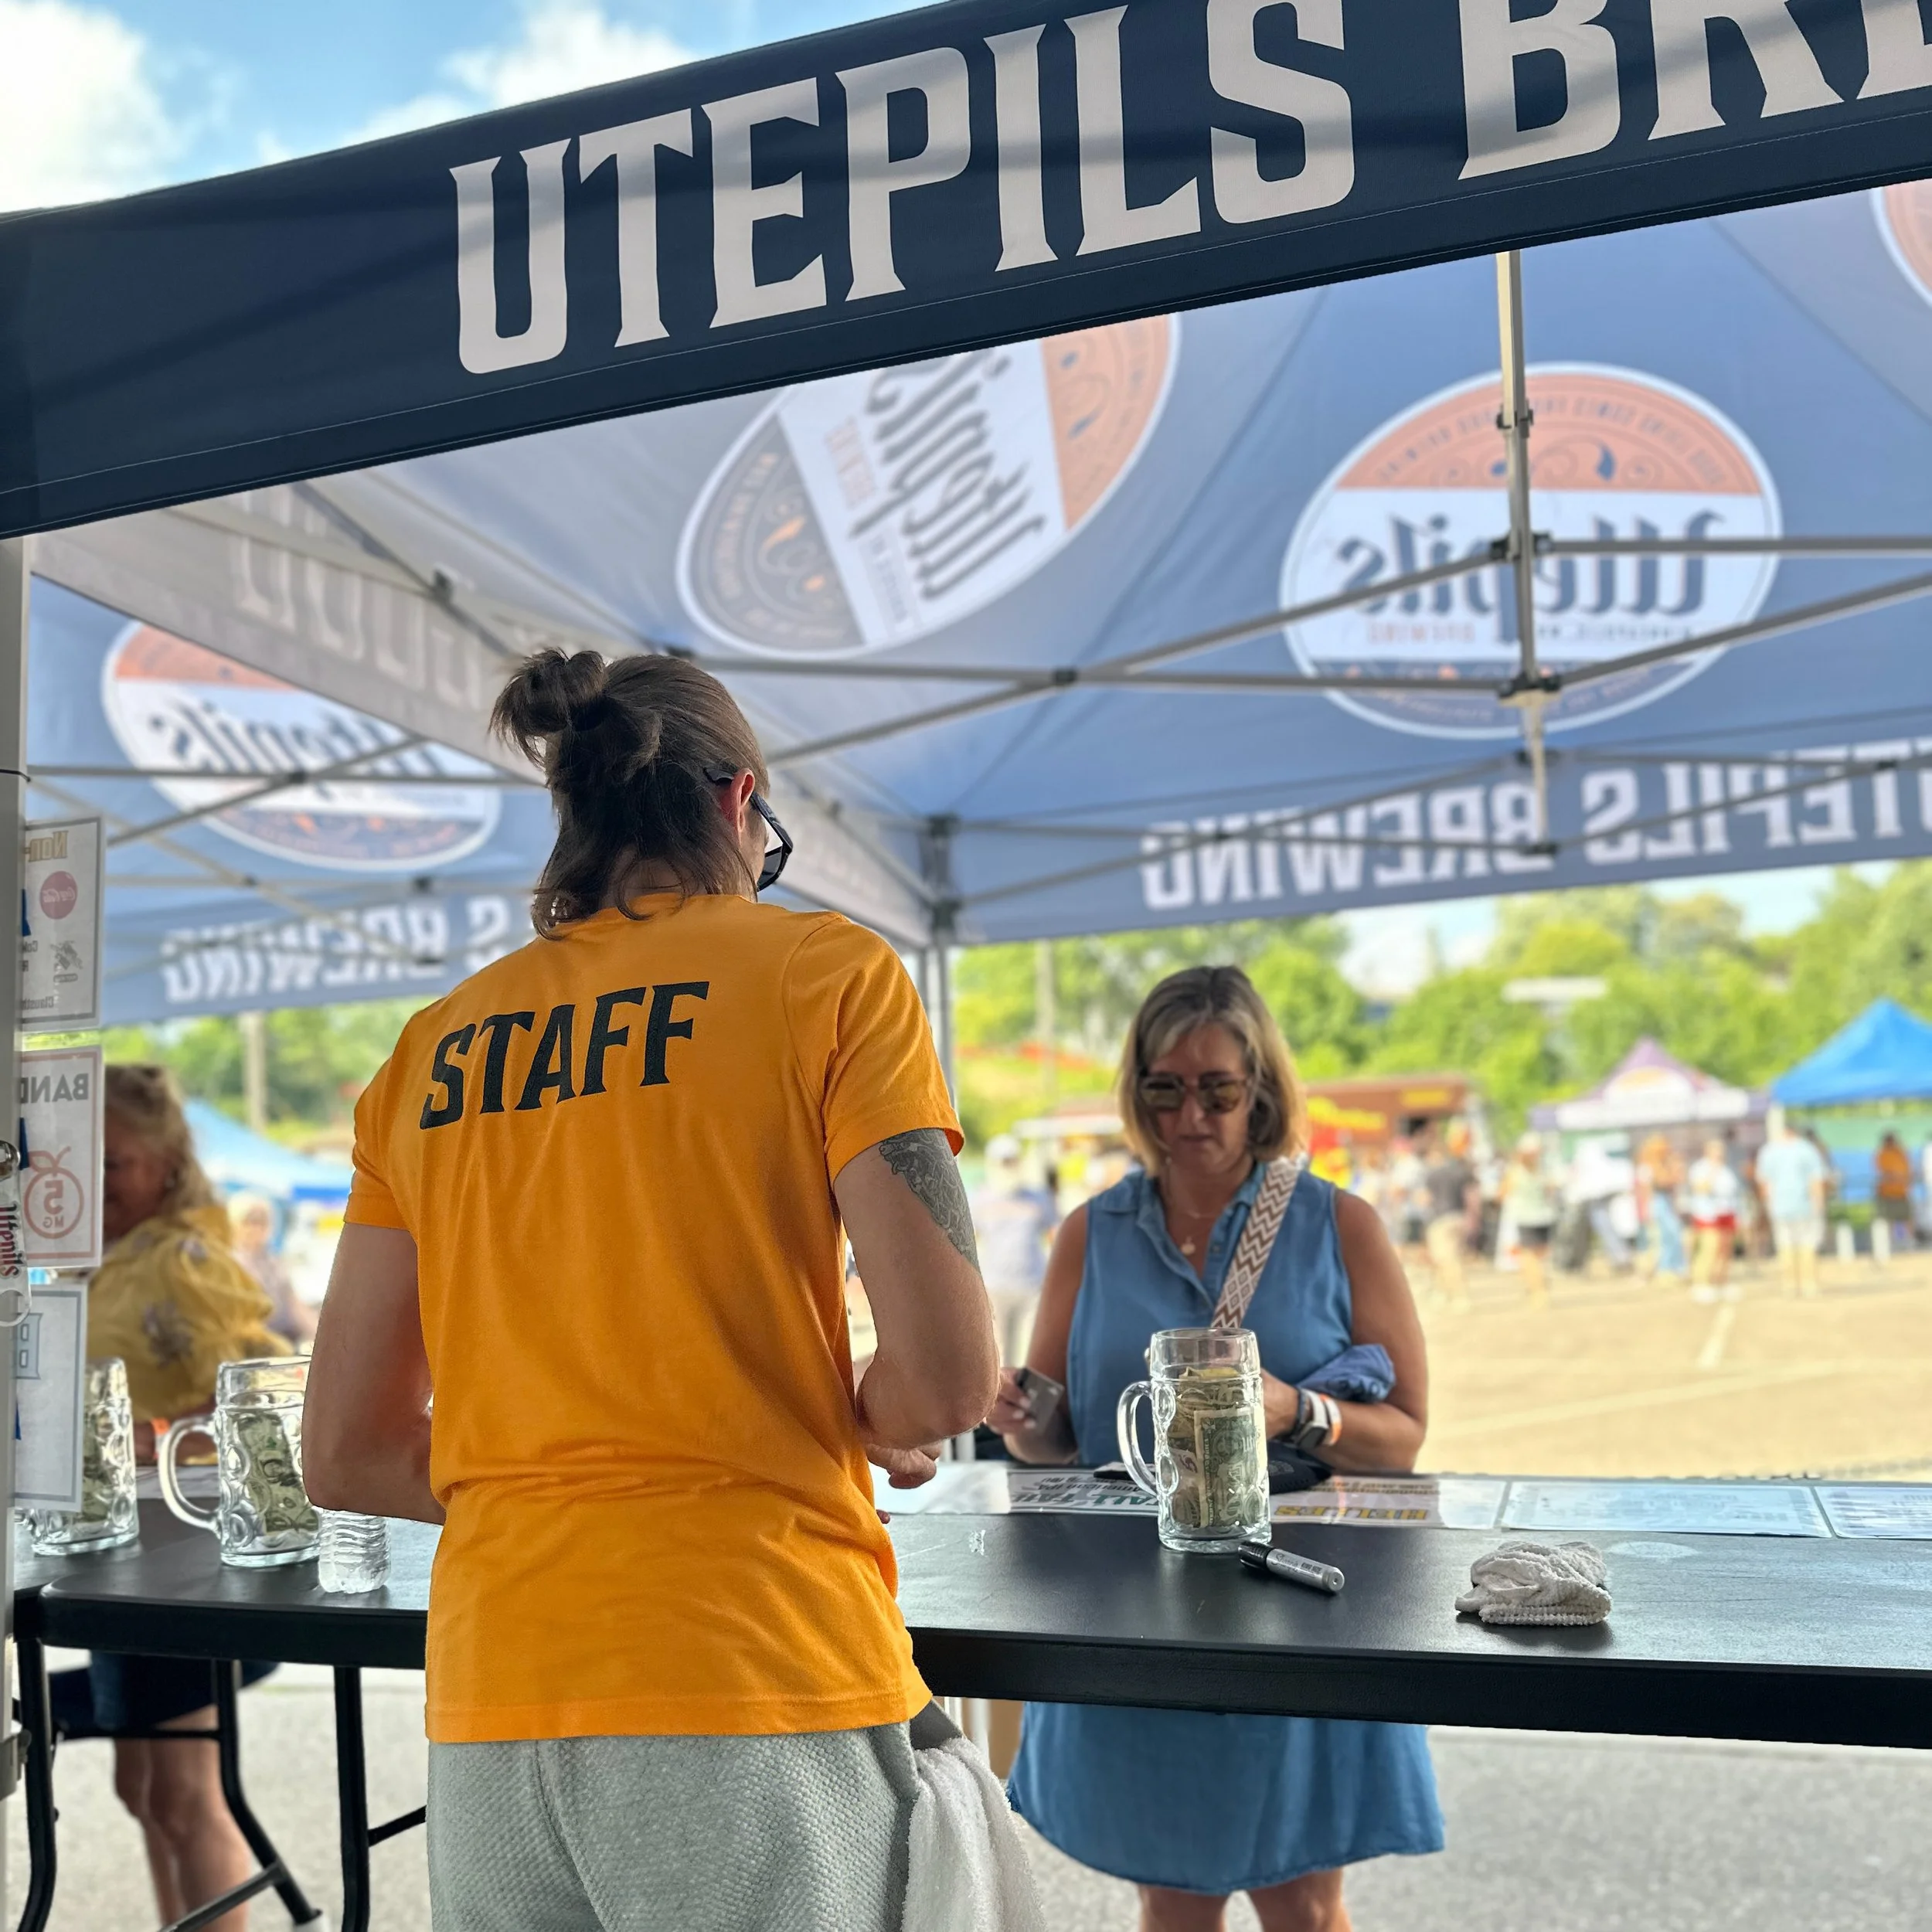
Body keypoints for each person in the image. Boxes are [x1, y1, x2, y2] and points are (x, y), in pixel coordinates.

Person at [302, 649, 1000, 1932]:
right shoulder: (826, 977)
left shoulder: (428, 1052)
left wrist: (548, 1458)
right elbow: (952, 1381)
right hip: (754, 1674)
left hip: (496, 1702)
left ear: (574, 813)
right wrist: (845, 1407)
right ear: (741, 806)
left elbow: (344, 1451)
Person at [989, 965, 1440, 1932]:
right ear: (1136, 1091)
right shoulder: (1088, 1233)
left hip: (1297, 1608)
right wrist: (1027, 1420)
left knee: (1304, 1905)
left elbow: (1402, 1439)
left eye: (1218, 1089)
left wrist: (1295, 1411)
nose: (1188, 1112)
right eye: (1164, 1086)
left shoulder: (1337, 1224)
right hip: (1141, 1608)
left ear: (1261, 1092)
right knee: (1172, 1895)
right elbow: (1061, 1437)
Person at [71, 1065, 290, 1932]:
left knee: (186, 1789)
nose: (94, 1181)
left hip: (179, 1554)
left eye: (112, 1160)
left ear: (165, 1161)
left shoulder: (182, 1260)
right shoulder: (103, 1262)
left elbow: (248, 1392)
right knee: (147, 1788)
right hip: (126, 1556)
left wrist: (158, 1433)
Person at [971, 1133, 1061, 1366]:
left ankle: (1029, 1402)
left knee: (1032, 1354)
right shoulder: (979, 1200)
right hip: (996, 1288)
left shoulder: (1039, 1198)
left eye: (1012, 1160)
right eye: (1004, 1161)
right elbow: (970, 1243)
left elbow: (1055, 1237)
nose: (1008, 1166)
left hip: (1033, 1287)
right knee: (1000, 1357)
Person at [228, 1191, 317, 1346]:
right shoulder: (230, 1262)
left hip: (284, 1338)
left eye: (262, 1222)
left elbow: (294, 1304)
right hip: (252, 1344)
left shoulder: (273, 1260)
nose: (256, 1228)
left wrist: (320, 1336)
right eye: (249, 1221)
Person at [1756, 1114, 1828, 1299]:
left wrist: (1768, 1204)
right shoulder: (1807, 1150)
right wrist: (1819, 1204)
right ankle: (1809, 1284)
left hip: (1780, 1206)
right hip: (1804, 1204)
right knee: (1807, 1246)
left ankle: (1789, 1286)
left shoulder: (1769, 1151)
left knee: (1785, 1246)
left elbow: (1764, 1183)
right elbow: (1816, 1180)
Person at [1420, 1123, 1479, 1310]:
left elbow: (1424, 1199)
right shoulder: (1461, 1170)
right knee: (1449, 1258)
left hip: (1440, 1220)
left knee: (1447, 1260)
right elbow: (1472, 1198)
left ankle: (1460, 1296)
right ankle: (1443, 1293)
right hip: (1459, 1217)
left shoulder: (1431, 1174)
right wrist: (1474, 1220)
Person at [1501, 1134, 1557, 1307]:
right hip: (1544, 1216)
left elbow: (1504, 1193)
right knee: (1540, 1257)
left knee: (1528, 1258)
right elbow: (1550, 1190)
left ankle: (1538, 1291)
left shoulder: (1515, 1171)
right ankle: (1540, 1287)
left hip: (1525, 1218)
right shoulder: (1542, 1170)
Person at [1685, 1138, 1743, 1304]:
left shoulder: (1726, 1170)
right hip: (1708, 1215)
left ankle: (1721, 1281)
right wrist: (1712, 1173)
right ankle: (1701, 1283)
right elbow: (1700, 1189)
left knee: (1725, 1250)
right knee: (1709, 1248)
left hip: (1726, 1213)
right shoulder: (1700, 1168)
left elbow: (1733, 1193)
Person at [1634, 1135, 1687, 1284]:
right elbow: (1649, 1190)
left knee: (1672, 1235)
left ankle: (1673, 1268)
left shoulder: (1661, 1165)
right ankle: (1664, 1269)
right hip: (1657, 1204)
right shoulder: (1648, 1167)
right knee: (1663, 1238)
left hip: (1664, 1203)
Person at [1875, 1131, 1914, 1246]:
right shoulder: (1883, 1154)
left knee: (1907, 1217)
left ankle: (1908, 1241)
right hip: (1888, 1193)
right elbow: (1885, 1173)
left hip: (1902, 1192)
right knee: (1889, 1218)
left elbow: (1907, 1170)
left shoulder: (1900, 1153)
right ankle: (1891, 1242)